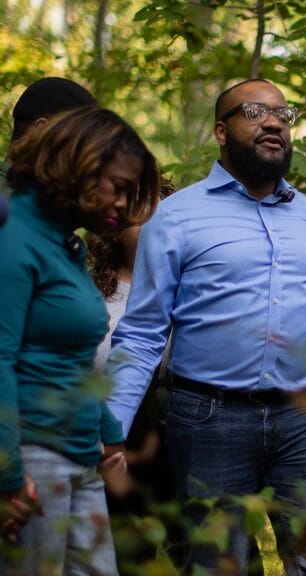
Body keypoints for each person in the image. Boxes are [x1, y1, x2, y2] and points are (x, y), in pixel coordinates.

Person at [105, 78, 306, 575]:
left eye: (284, 115)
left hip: (303, 417)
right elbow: (143, 332)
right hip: (206, 419)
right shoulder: (175, 217)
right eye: (256, 111)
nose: (274, 122)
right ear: (222, 130)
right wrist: (112, 427)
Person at [0, 106, 160, 574]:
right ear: (80, 166)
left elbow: (73, 360)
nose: (125, 207)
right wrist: (8, 478)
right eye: (120, 188)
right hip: (31, 459)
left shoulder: (66, 245)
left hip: (80, 455)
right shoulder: (13, 238)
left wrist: (109, 436)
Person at [87, 178, 175, 571]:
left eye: (162, 213)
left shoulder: (195, 291)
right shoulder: (91, 294)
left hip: (183, 437)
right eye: (142, 214)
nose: (155, 224)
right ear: (116, 226)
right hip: (115, 443)